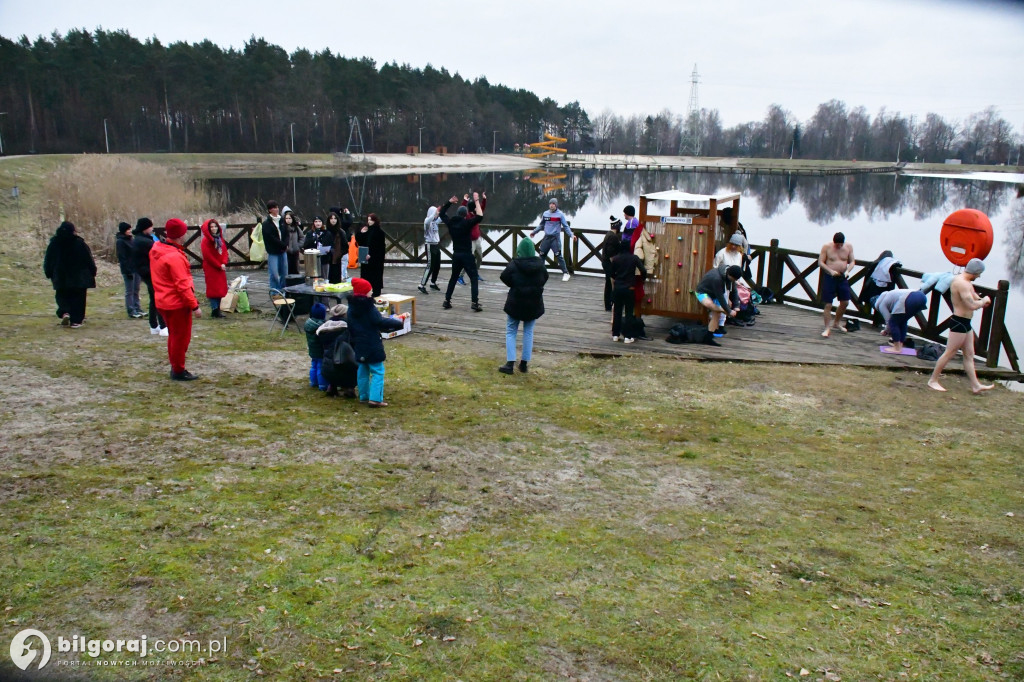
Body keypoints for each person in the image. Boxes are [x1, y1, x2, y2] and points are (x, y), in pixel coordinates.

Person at [928, 259, 994, 393]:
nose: (979, 276)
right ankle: (933, 380)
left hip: (966, 323)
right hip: (958, 322)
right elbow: (972, 305)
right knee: (949, 352)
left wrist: (982, 301)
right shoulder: (961, 283)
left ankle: (975, 385)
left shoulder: (967, 283)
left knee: (969, 354)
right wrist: (984, 301)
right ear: (974, 272)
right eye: (979, 273)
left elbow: (975, 299)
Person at [150, 218, 202, 381]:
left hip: (163, 300)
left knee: (174, 336)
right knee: (180, 338)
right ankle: (178, 370)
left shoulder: (157, 248)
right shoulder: (174, 257)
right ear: (180, 235)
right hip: (176, 303)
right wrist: (194, 306)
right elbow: (182, 285)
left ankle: (176, 367)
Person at [347, 278, 404, 407]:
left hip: (358, 343)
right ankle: (375, 399)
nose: (372, 292)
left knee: (362, 369)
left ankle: (364, 396)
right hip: (371, 343)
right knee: (378, 371)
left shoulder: (351, 308)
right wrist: (398, 322)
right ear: (364, 292)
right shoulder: (368, 308)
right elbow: (380, 322)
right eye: (370, 290)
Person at [499, 237, 548, 374]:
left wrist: (515, 285)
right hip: (533, 303)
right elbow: (545, 278)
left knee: (511, 330)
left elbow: (504, 277)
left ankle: (510, 364)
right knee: (528, 332)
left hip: (516, 303)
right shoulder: (540, 265)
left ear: (519, 251)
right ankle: (524, 364)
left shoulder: (514, 265)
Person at [43, 220, 96, 328]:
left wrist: (48, 272)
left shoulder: (54, 243)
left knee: (62, 295)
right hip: (78, 276)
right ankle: (76, 321)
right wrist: (93, 271)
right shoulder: (79, 243)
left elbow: (48, 259)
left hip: (60, 275)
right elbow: (88, 258)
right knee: (78, 298)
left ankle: (64, 312)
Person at [439, 195, 485, 311]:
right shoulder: (467, 223)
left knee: (453, 277)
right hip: (467, 255)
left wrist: (449, 202)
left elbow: (442, 213)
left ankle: (447, 300)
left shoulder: (451, 223)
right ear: (465, 215)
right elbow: (479, 216)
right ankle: (474, 302)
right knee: (474, 278)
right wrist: (477, 201)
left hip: (456, 255)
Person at [607, 239, 648, 343]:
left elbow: (610, 273)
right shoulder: (634, 258)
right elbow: (643, 270)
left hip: (618, 288)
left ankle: (615, 335)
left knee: (617, 311)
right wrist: (642, 279)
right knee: (629, 312)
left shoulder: (616, 259)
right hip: (630, 288)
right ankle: (628, 337)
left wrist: (617, 278)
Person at [131, 217, 167, 336]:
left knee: (153, 299)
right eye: (150, 226)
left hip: (145, 272)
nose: (152, 228)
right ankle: (163, 326)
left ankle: (154, 325)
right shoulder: (145, 242)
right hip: (150, 272)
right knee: (159, 298)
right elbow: (159, 252)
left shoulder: (140, 239)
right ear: (145, 228)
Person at [818, 231, 855, 337]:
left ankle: (836, 323)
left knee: (845, 302)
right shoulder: (826, 247)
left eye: (841, 244)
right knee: (828, 304)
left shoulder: (848, 246)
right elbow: (820, 262)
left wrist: (848, 271)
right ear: (834, 242)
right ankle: (827, 328)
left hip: (842, 277)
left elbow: (852, 261)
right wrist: (830, 271)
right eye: (837, 244)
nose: (839, 246)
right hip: (830, 277)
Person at [317, 303, 358, 398]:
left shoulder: (324, 328)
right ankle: (349, 389)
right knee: (352, 366)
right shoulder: (347, 328)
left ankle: (332, 387)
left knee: (331, 361)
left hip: (327, 368)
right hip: (344, 364)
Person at [530, 197, 576, 282]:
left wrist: (571, 235)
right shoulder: (545, 214)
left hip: (555, 238)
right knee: (542, 255)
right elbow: (541, 225)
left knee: (559, 256)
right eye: (550, 204)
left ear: (556, 205)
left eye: (553, 204)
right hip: (546, 238)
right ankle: (541, 273)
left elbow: (566, 226)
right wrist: (534, 232)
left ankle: (566, 273)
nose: (551, 205)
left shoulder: (560, 214)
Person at [695, 264, 743, 336]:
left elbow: (734, 290)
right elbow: (720, 297)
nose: (734, 281)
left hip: (714, 294)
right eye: (733, 279)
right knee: (710, 305)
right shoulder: (717, 278)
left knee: (718, 311)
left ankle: (712, 332)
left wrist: (736, 305)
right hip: (703, 292)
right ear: (729, 274)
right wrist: (728, 311)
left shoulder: (729, 274)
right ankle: (722, 312)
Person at [875, 289, 928, 354]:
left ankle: (897, 348)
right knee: (903, 321)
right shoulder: (890, 294)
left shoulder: (881, 305)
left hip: (909, 299)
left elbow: (889, 321)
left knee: (893, 322)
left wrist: (885, 331)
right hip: (921, 297)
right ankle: (900, 345)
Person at [200, 218, 230, 318]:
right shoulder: (205, 241)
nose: (214, 228)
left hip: (220, 267)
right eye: (211, 227)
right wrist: (219, 265)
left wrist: (224, 262)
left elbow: (225, 251)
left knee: (220, 289)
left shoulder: (219, 239)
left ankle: (218, 309)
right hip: (211, 268)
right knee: (213, 290)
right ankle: (214, 309)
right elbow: (208, 256)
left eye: (215, 226)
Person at [115, 221, 143, 318]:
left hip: (136, 268)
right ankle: (131, 310)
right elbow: (122, 258)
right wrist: (127, 271)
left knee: (136, 289)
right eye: (128, 229)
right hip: (128, 269)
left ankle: (137, 307)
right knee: (129, 290)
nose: (130, 231)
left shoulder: (131, 239)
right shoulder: (120, 241)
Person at [356, 213, 387, 297]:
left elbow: (381, 248)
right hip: (365, 258)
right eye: (368, 220)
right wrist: (361, 233)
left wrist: (372, 255)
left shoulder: (380, 232)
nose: (369, 222)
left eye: (371, 220)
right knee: (365, 277)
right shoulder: (367, 230)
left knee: (375, 277)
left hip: (376, 259)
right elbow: (360, 242)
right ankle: (365, 292)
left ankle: (376, 293)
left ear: (375, 221)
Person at [262, 201, 287, 293]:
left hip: (283, 250)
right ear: (270, 210)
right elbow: (271, 237)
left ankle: (283, 290)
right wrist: (282, 244)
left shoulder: (282, 221)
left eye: (277, 207)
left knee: (284, 273)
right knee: (274, 273)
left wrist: (285, 244)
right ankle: (275, 291)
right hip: (273, 251)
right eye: (274, 208)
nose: (276, 209)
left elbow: (286, 234)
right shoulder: (266, 224)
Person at [304, 302, 329, 390]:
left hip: (312, 350)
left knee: (313, 366)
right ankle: (322, 385)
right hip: (320, 351)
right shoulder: (321, 327)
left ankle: (313, 382)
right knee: (320, 367)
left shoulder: (308, 324)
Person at [463, 191, 487, 281]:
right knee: (468, 259)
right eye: (477, 207)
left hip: (477, 240)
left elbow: (482, 207)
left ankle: (475, 273)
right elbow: (461, 210)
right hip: (470, 241)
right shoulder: (468, 216)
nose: (479, 208)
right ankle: (460, 276)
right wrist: (465, 201)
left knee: (480, 257)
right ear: (474, 209)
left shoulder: (477, 215)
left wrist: (484, 198)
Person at [418, 205, 442, 294]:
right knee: (430, 266)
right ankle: (421, 285)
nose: (437, 214)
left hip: (436, 245)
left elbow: (442, 217)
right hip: (429, 245)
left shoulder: (435, 222)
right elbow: (428, 221)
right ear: (432, 213)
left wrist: (448, 205)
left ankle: (433, 283)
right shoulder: (427, 221)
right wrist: (435, 213)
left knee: (437, 265)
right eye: (435, 213)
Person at [600, 216, 622, 311]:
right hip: (609, 263)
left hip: (605, 262)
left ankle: (608, 304)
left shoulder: (608, 234)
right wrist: (615, 266)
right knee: (610, 283)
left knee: (608, 283)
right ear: (618, 227)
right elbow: (610, 253)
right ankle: (609, 304)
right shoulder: (613, 237)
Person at [302, 216, 332, 280]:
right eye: (316, 221)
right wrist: (314, 238)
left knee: (324, 277)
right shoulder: (310, 233)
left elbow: (331, 244)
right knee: (314, 277)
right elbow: (305, 245)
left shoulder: (327, 233)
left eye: (319, 221)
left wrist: (329, 250)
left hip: (324, 258)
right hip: (313, 258)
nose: (318, 223)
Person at [281, 206, 304, 276]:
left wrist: (298, 245)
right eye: (286, 218)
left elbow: (302, 237)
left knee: (295, 269)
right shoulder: (283, 228)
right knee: (287, 269)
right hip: (286, 251)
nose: (288, 220)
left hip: (295, 251)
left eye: (289, 218)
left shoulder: (296, 228)